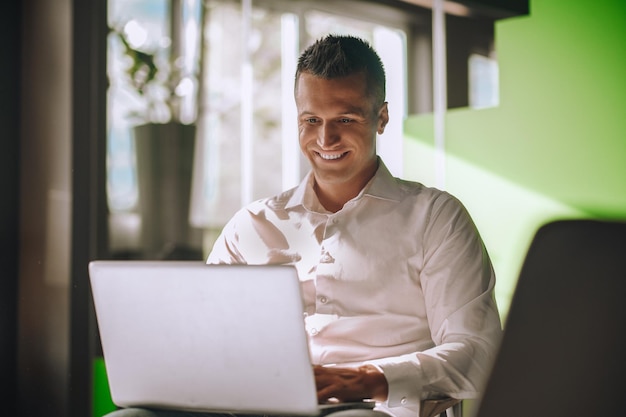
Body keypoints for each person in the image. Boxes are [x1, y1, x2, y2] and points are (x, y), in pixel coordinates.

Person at [106, 34, 502, 417]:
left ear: (381, 118)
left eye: (345, 118)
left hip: (371, 409)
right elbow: (204, 339)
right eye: (311, 119)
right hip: (250, 408)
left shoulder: (435, 217)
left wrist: (368, 378)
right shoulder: (250, 226)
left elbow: (478, 351)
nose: (325, 138)